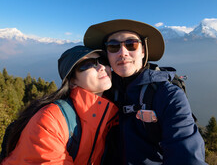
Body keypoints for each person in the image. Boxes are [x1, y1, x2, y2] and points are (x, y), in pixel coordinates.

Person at [84, 19, 207, 165]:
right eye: (113, 46)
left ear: (143, 51)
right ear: (107, 54)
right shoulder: (102, 90)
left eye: (131, 45)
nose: (123, 52)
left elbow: (186, 155)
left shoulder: (168, 96)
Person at [0, 45, 119, 165]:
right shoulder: (49, 120)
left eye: (102, 61)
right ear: (72, 82)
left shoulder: (111, 116)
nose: (102, 67)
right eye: (87, 64)